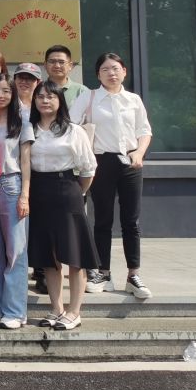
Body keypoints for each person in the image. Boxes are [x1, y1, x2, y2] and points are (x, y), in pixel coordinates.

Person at [71, 53, 153, 299]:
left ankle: (133, 274)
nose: (111, 73)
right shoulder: (89, 97)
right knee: (103, 220)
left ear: (124, 71)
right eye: (105, 69)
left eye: (115, 68)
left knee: (131, 221)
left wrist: (139, 153)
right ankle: (103, 273)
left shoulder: (133, 100)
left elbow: (144, 130)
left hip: (131, 162)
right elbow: (71, 125)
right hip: (101, 162)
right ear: (98, 74)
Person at [30, 81, 99, 329]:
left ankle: (74, 311)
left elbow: (88, 168)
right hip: (38, 191)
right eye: (40, 96)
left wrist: (77, 192)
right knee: (48, 257)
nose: (45, 101)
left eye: (51, 96)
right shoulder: (29, 129)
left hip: (67, 190)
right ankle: (56, 309)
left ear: (60, 101)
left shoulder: (73, 131)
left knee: (74, 255)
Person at [0, 73, 33, 330]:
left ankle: (15, 310)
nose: (0, 95)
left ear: (13, 95)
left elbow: (26, 162)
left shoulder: (22, 123)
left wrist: (25, 195)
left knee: (15, 250)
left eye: (5, 91)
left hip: (11, 185)